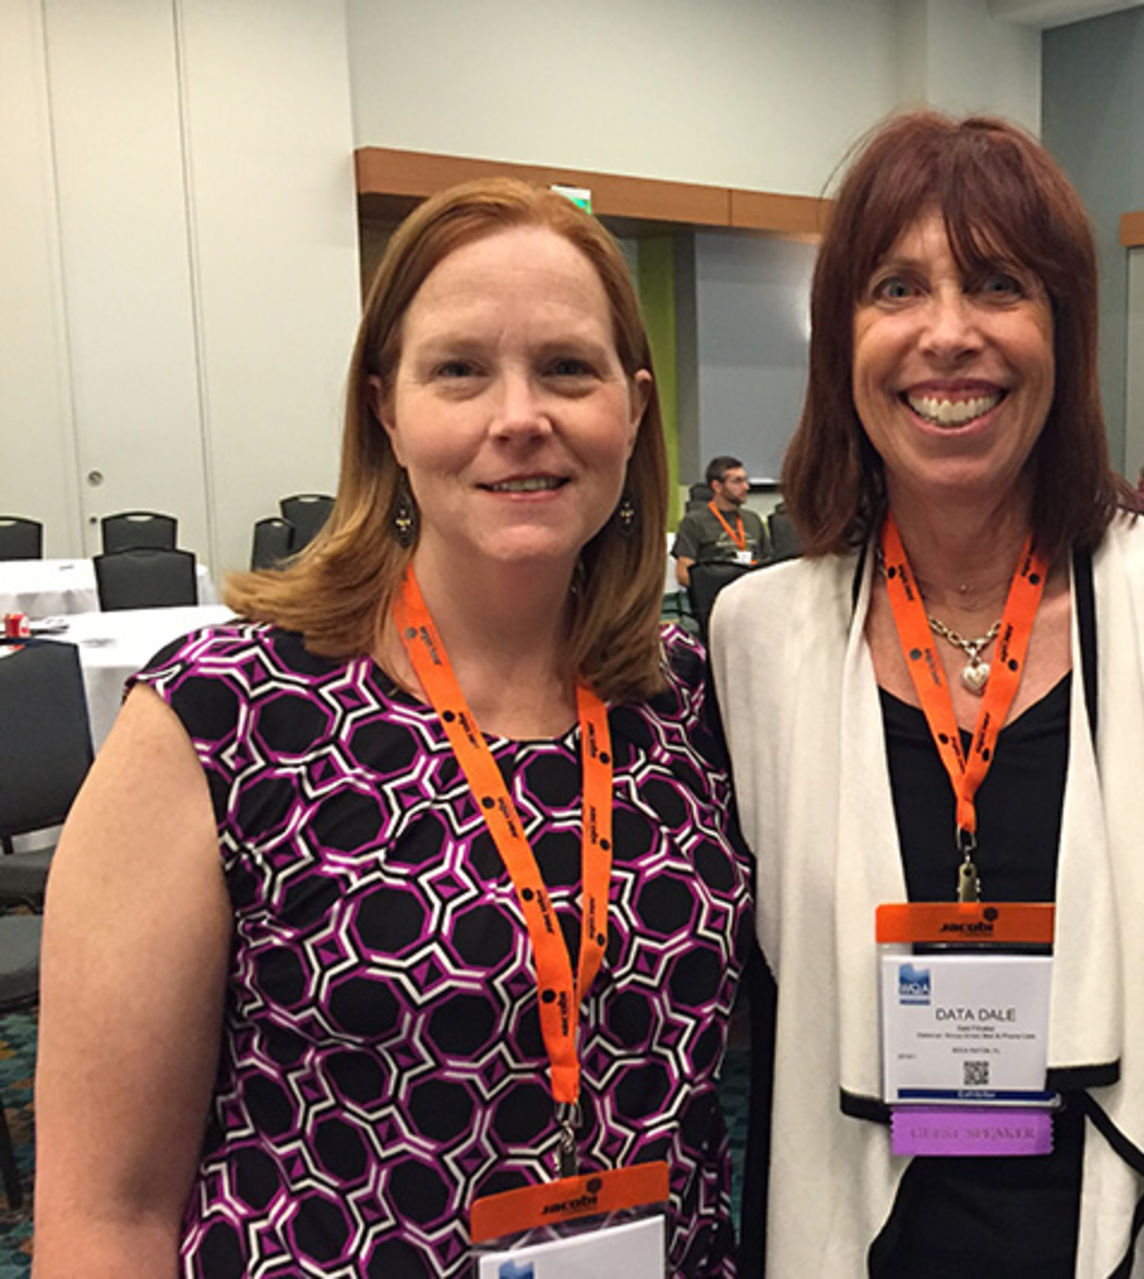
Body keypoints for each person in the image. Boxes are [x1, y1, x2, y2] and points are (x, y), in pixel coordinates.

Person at [35, 178, 749, 1277]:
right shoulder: (224, 717)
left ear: (634, 406)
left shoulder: (690, 704)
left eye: (567, 367)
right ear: (386, 409)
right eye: (460, 369)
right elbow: (107, 1213)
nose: (520, 416)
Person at [709, 112, 1144, 1276]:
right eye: (896, 287)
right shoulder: (756, 642)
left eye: (997, 284)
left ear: (1065, 329)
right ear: (842, 340)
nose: (948, 334)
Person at [673, 454, 770, 587]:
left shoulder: (752, 519)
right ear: (717, 486)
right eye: (737, 481)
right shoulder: (694, 522)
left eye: (745, 480)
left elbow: (769, 563)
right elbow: (683, 574)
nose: (746, 487)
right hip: (716, 594)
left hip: (752, 591)